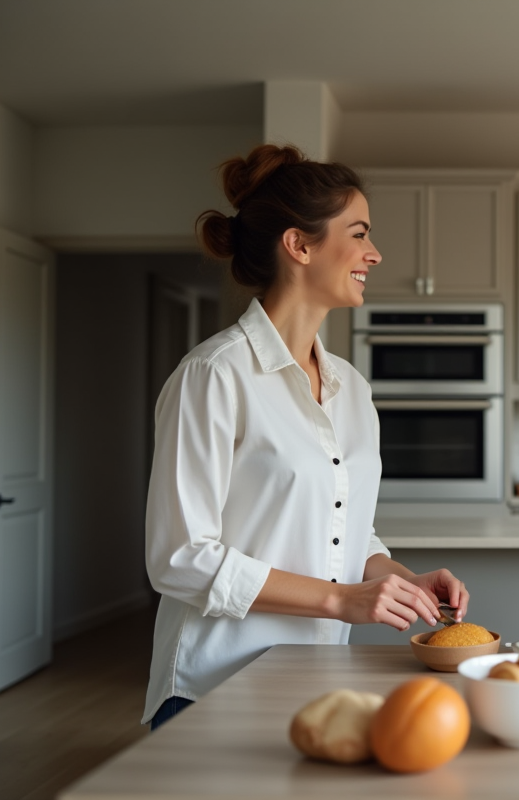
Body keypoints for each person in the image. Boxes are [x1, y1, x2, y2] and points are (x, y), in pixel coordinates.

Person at [143, 145, 468, 729]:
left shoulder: (352, 388)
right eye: (360, 233)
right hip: (214, 691)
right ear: (300, 245)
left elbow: (346, 526)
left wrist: (399, 579)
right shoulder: (215, 375)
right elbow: (180, 558)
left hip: (315, 683)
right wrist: (341, 600)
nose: (375, 253)